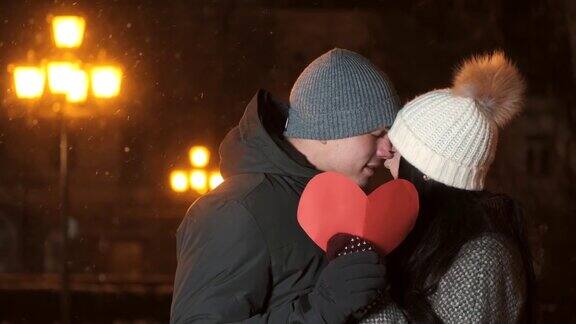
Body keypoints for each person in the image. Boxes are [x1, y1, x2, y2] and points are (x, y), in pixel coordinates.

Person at [170, 48, 400, 323]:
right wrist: (320, 308)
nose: (388, 150)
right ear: (327, 128)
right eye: (377, 134)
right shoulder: (237, 210)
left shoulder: (345, 202)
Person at [352, 51, 535, 323]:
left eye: (400, 145)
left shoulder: (483, 259)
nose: (388, 152)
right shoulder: (435, 239)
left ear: (426, 170)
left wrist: (366, 297)